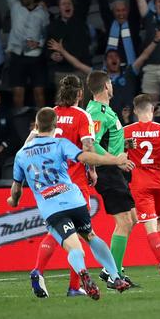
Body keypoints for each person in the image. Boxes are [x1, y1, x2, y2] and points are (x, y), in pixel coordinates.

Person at [7, 107, 133, 300]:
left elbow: (16, 188)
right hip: (74, 200)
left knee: (76, 249)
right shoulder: (60, 143)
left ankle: (83, 274)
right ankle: (115, 277)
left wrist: (13, 201)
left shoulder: (21, 154)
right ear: (55, 125)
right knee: (90, 236)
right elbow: (86, 156)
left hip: (52, 208)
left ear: (36, 125)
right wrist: (114, 159)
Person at [27, 75, 98, 298]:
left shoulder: (48, 115)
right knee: (77, 233)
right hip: (74, 185)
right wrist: (93, 171)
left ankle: (38, 270)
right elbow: (87, 148)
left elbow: (29, 145)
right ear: (80, 94)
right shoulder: (81, 115)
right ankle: (74, 287)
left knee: (57, 230)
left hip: (50, 185)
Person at [85, 70, 139, 288]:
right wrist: (115, 159)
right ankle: (113, 273)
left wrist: (124, 144)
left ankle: (113, 269)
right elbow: (92, 143)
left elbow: (107, 139)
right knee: (124, 221)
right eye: (111, 83)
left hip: (114, 170)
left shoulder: (104, 110)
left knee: (132, 218)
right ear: (106, 86)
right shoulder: (97, 111)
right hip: (107, 170)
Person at [47, 27, 160, 117]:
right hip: (106, 119)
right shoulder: (98, 76)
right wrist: (62, 51)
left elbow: (144, 56)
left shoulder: (129, 72)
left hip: (129, 117)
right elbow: (77, 64)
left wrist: (155, 41)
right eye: (110, 57)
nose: (114, 59)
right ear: (105, 62)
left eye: (116, 56)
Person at [124, 94, 160, 274]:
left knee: (149, 223)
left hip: (140, 183)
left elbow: (116, 152)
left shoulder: (126, 131)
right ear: (152, 110)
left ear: (135, 111)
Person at [0, 0, 49, 109]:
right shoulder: (15, 7)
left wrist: (38, 43)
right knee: (17, 94)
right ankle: (18, 127)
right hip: (17, 56)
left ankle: (44, 127)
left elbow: (47, 34)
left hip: (36, 57)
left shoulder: (42, 12)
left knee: (39, 94)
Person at [46, 0, 92, 87]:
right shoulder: (53, 27)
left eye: (69, 3)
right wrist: (52, 56)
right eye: (64, 4)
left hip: (82, 68)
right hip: (63, 71)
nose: (67, 6)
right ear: (59, 8)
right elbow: (47, 48)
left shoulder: (79, 19)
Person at [90, 0, 142, 65]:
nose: (121, 13)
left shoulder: (133, 22)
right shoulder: (110, 23)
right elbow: (102, 2)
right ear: (113, 12)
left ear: (127, 11)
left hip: (131, 70)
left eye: (123, 10)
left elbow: (135, 0)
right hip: (112, 70)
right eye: (118, 11)